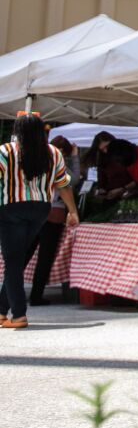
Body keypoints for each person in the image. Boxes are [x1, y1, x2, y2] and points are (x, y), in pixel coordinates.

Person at [0, 114, 80, 328]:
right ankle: (0, 310)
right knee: (17, 260)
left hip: (11, 208)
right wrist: (72, 211)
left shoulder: (6, 151)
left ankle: (18, 315)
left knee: (13, 261)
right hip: (41, 210)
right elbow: (64, 184)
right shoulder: (53, 153)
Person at [25, 135, 80, 305]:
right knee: (45, 259)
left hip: (33, 212)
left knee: (23, 255)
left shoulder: (35, 163)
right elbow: (74, 180)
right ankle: (36, 296)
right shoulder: (57, 164)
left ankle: (6, 294)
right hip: (53, 214)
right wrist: (75, 157)